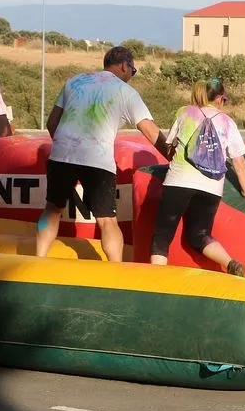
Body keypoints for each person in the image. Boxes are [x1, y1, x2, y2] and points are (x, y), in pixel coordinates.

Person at [35, 46, 169, 262]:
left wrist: (65, 145)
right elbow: (151, 132)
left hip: (61, 155)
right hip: (97, 159)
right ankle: (115, 268)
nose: (131, 76)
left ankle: (38, 259)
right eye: (133, 71)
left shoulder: (74, 82)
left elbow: (52, 123)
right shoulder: (125, 92)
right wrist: (173, 159)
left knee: (52, 209)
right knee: (107, 220)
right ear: (124, 66)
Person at [150, 78, 245, 275]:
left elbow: (170, 146)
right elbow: (238, 161)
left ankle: (157, 279)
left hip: (179, 181)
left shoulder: (185, 112)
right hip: (211, 187)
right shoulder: (228, 122)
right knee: (200, 235)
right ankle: (230, 263)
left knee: (162, 233)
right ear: (220, 99)